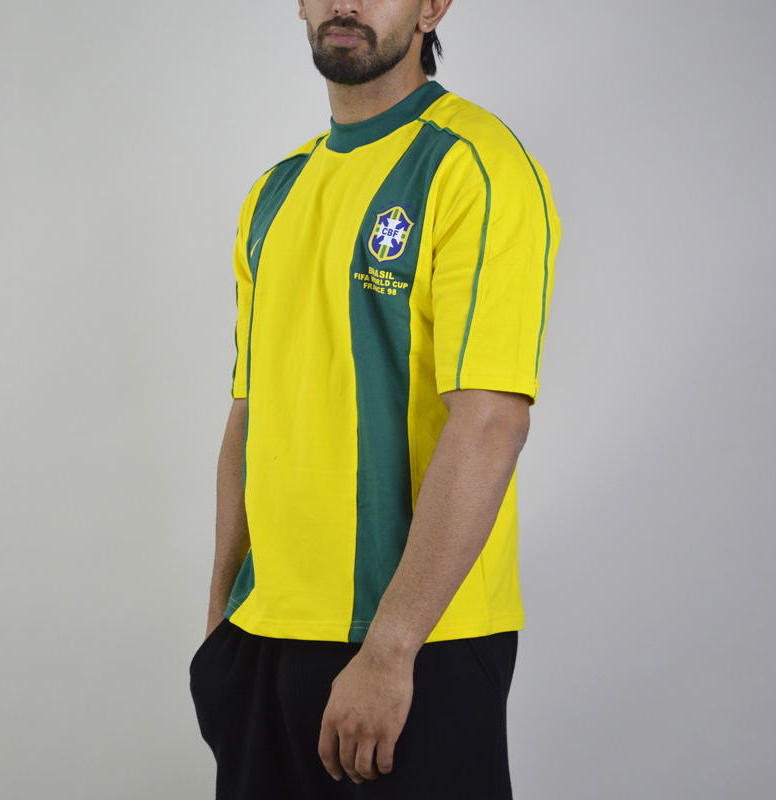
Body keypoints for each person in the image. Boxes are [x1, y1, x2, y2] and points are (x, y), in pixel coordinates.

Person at [189, 1, 561, 797]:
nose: (346, 3)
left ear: (433, 7)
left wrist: (392, 648)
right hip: (262, 640)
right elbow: (249, 415)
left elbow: (492, 422)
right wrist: (220, 622)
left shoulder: (473, 165)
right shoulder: (275, 192)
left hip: (412, 648)